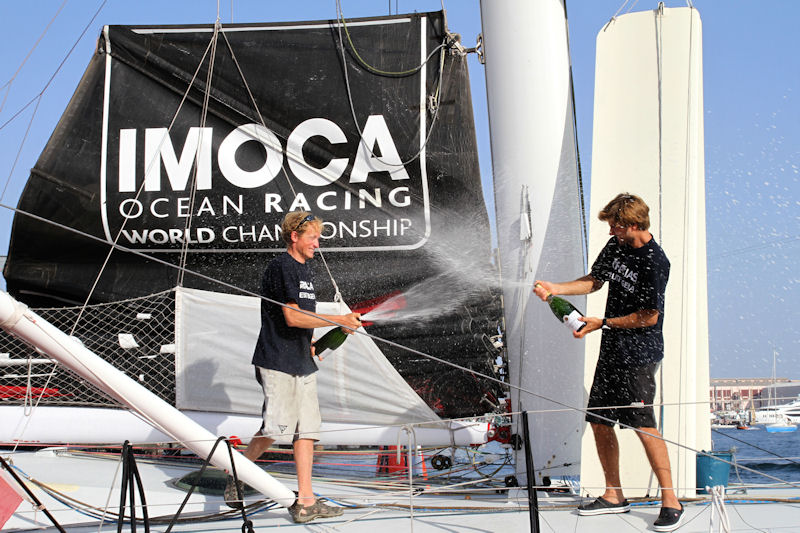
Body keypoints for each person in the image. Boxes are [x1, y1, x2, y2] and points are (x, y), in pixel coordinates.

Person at [533, 193, 683, 532]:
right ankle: (614, 494)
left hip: (640, 353)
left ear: (632, 225)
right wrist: (555, 288)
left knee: (644, 425)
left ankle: (671, 500)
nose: (610, 233)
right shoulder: (616, 247)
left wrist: (603, 323)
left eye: (614, 227)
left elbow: (648, 317)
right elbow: (594, 280)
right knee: (600, 420)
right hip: (613, 349)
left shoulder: (655, 261)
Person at [224, 211, 362, 524]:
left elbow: (303, 321)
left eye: (318, 236)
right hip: (276, 361)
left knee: (308, 431)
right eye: (312, 236)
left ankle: (306, 502)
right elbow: (292, 316)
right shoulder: (281, 266)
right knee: (277, 428)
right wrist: (339, 319)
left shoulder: (305, 269)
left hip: (301, 359)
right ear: (294, 237)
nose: (318, 242)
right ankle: (237, 473)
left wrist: (312, 344)